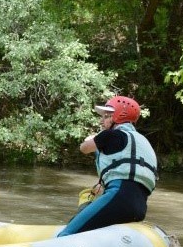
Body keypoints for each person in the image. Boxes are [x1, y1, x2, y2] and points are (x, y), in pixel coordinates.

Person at [57, 96, 158, 237]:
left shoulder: (110, 135)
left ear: (117, 116)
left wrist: (92, 139)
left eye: (106, 116)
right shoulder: (144, 142)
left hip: (118, 197)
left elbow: (84, 148)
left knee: (67, 234)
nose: (101, 121)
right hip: (140, 208)